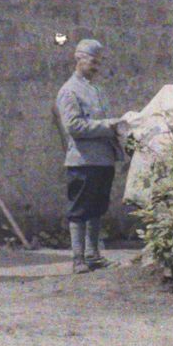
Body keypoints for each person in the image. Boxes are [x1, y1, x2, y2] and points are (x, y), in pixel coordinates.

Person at [55, 38, 126, 273]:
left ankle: (93, 254)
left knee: (97, 207)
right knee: (79, 209)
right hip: (82, 161)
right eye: (93, 62)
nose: (96, 67)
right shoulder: (69, 91)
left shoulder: (97, 90)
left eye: (99, 62)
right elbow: (74, 127)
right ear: (79, 59)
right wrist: (109, 125)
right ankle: (78, 258)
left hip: (103, 160)